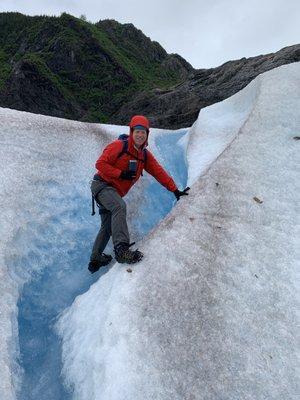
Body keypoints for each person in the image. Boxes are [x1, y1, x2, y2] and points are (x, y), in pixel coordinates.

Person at [88, 115, 189, 273]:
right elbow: (100, 164)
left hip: (112, 191)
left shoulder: (144, 156)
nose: (140, 135)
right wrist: (120, 174)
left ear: (147, 134)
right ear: (131, 132)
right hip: (102, 185)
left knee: (107, 226)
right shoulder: (118, 146)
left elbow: (159, 172)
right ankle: (121, 249)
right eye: (137, 132)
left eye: (143, 132)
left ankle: (96, 259)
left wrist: (175, 190)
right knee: (119, 207)